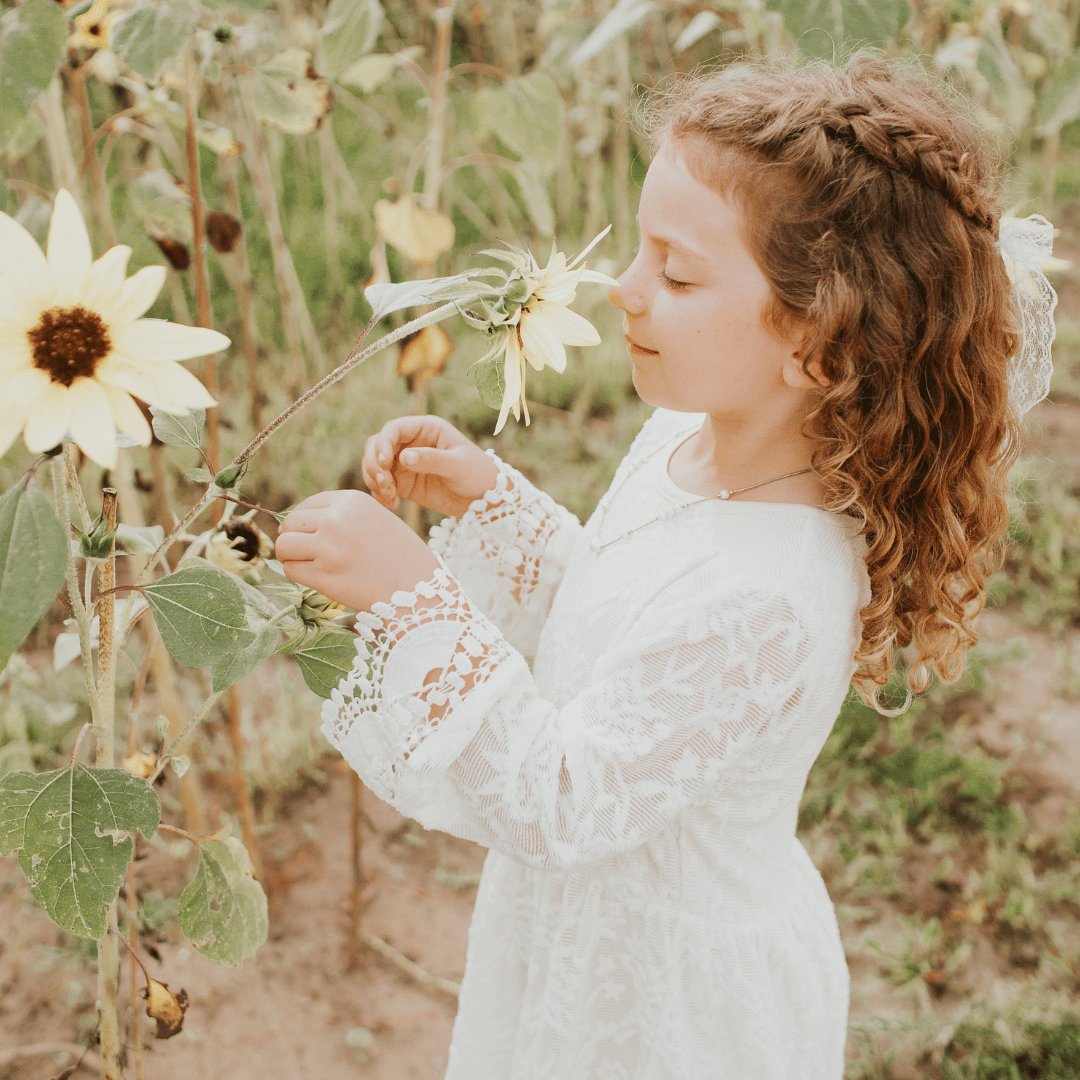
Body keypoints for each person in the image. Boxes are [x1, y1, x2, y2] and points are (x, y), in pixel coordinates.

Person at [274, 54, 1055, 1080]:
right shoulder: (689, 437)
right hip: (586, 929)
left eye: (677, 273)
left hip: (669, 1005)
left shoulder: (773, 593)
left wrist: (408, 596)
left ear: (817, 347)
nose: (623, 287)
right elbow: (617, 608)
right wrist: (493, 506)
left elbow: (565, 794)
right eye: (641, 252)